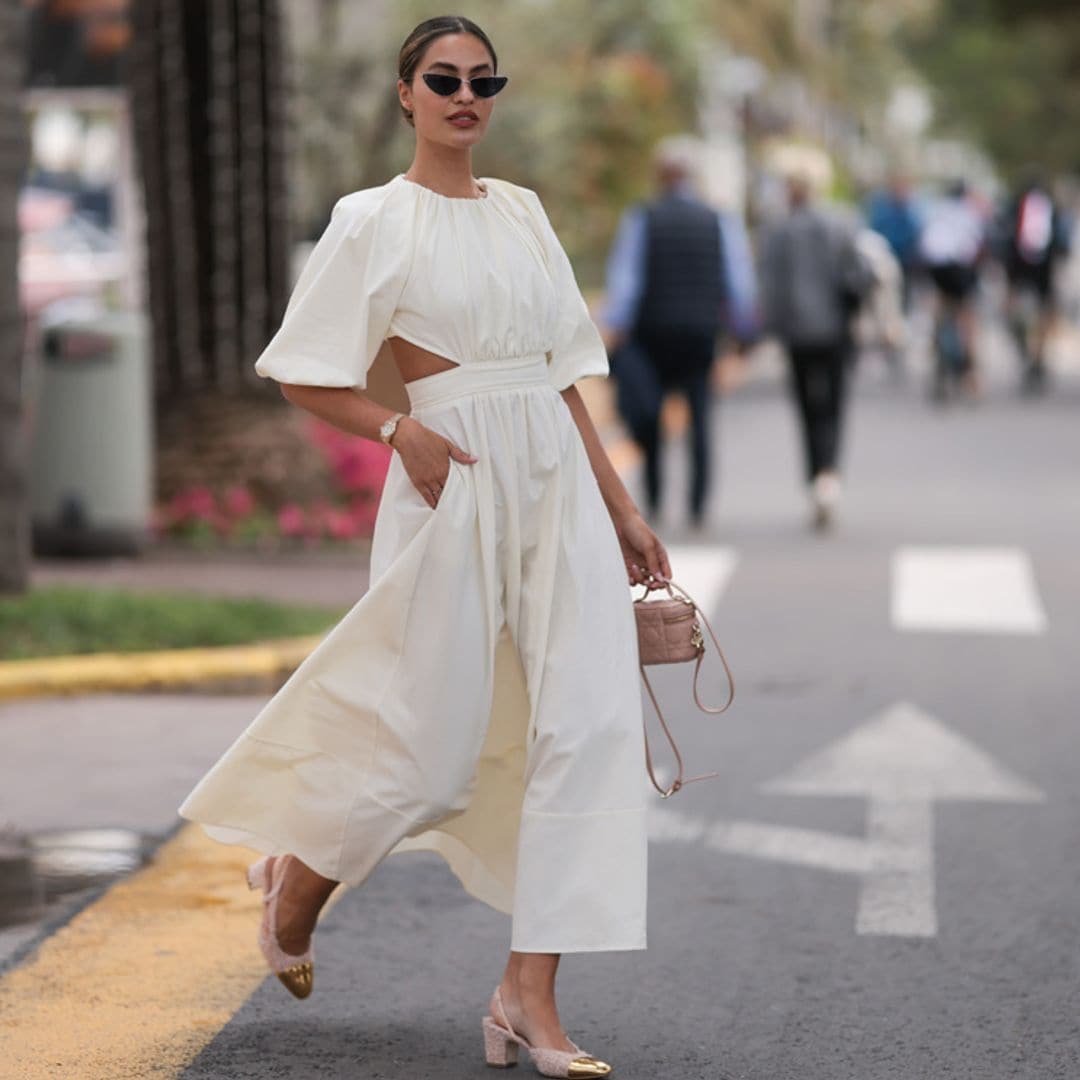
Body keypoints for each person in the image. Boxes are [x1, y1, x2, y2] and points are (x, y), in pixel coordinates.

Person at [178, 16, 671, 1079]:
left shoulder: (527, 213)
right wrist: (401, 430)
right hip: (453, 482)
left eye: (482, 79)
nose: (465, 94)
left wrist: (622, 509)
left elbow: (561, 378)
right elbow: (307, 371)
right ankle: (297, 880)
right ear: (406, 93)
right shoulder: (371, 219)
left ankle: (527, 998)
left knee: (586, 729)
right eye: (442, 78)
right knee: (430, 744)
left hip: (555, 484)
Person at [602, 136, 758, 530]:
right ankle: (698, 504)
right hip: (701, 333)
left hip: (652, 334)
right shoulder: (718, 218)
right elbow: (738, 281)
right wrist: (742, 334)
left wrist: (615, 328)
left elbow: (627, 281)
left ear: (661, 173)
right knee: (701, 417)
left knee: (650, 415)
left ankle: (654, 496)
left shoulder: (644, 217)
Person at [760, 160, 873, 530]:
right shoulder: (841, 223)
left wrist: (770, 330)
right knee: (834, 406)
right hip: (836, 331)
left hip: (796, 334)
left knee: (807, 408)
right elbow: (860, 274)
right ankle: (829, 475)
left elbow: (770, 288)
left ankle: (814, 478)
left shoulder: (778, 230)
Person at [999, 173, 1072, 393]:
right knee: (1046, 311)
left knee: (1012, 307)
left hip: (1017, 267)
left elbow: (1002, 236)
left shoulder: (1014, 205)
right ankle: (1039, 355)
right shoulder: (1052, 207)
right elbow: (1062, 241)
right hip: (1044, 268)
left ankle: (1022, 340)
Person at [918, 179, 986, 401]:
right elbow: (975, 246)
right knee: (966, 318)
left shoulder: (936, 211)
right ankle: (970, 372)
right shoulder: (969, 213)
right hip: (959, 269)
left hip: (937, 269)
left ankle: (937, 349)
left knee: (940, 308)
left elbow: (925, 245)